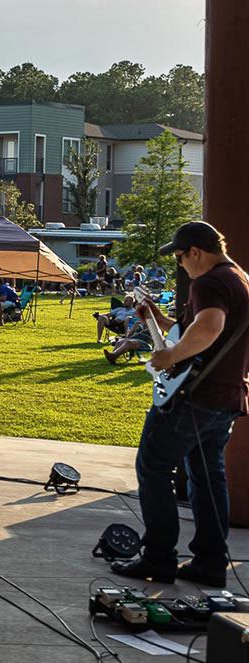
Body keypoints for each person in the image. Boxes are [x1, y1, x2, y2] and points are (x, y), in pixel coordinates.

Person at [111, 221, 249, 588]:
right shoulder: (239, 279)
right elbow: (196, 330)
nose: (180, 266)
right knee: (207, 477)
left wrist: (170, 355)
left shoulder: (210, 281)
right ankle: (210, 563)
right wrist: (159, 319)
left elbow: (209, 328)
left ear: (195, 252)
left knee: (153, 466)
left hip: (195, 397)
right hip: (226, 396)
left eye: (180, 258)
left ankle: (158, 557)